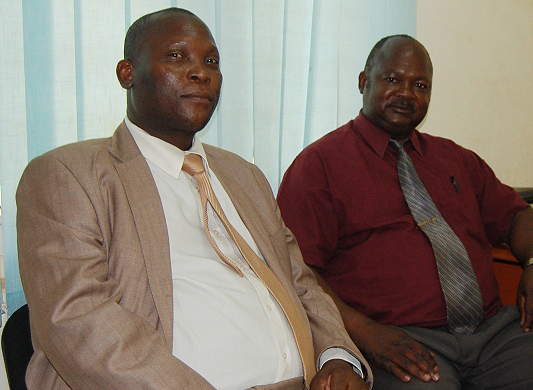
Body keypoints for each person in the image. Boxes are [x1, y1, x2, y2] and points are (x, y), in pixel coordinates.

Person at [16, 8, 371, 390]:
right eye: (176, 56)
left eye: (211, 61)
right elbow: (77, 320)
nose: (201, 72)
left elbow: (300, 283)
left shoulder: (244, 176)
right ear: (127, 73)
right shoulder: (70, 174)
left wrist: (338, 356)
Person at [277, 35, 533, 389]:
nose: (406, 93)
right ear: (364, 81)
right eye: (393, 79)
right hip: (400, 341)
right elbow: (298, 272)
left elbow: (517, 215)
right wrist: (366, 334)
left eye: (420, 84)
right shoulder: (319, 166)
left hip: (493, 334)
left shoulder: (455, 159)